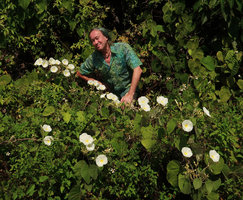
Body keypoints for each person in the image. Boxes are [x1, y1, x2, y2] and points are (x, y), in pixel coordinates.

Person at [76, 27, 143, 104]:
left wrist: (130, 94)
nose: (96, 42)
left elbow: (138, 69)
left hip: (129, 89)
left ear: (106, 37)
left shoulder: (122, 48)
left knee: (126, 109)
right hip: (112, 94)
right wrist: (97, 83)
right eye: (93, 41)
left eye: (97, 38)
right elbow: (79, 73)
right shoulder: (94, 58)